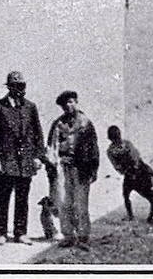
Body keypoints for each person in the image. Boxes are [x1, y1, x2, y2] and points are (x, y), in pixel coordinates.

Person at [0, 71, 48, 244]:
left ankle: (20, 232)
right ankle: (1, 232)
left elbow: (38, 134)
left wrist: (38, 157)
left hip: (25, 161)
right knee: (2, 198)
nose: (20, 89)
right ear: (10, 87)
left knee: (22, 198)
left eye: (22, 86)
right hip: (6, 160)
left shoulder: (30, 107)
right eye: (17, 86)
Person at [46, 90, 99, 248]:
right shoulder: (58, 124)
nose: (68, 106)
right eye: (64, 104)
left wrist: (94, 169)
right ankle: (68, 235)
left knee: (81, 202)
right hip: (63, 166)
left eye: (70, 102)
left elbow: (94, 148)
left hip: (81, 167)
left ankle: (83, 236)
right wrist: (52, 166)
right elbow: (51, 146)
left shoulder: (85, 123)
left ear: (76, 102)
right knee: (64, 201)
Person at [106, 125, 153, 223]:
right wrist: (129, 171)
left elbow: (135, 157)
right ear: (112, 138)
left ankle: (151, 215)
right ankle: (132, 216)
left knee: (148, 194)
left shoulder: (123, 145)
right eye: (115, 136)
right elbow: (118, 165)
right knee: (127, 194)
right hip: (132, 174)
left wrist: (133, 169)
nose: (117, 138)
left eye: (117, 135)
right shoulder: (113, 150)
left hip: (140, 172)